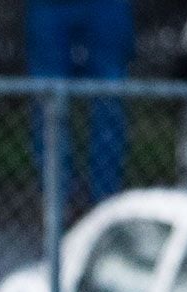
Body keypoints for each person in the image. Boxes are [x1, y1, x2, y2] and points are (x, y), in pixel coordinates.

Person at [26, 0, 132, 206]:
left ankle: (105, 205)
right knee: (48, 100)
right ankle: (56, 205)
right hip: (50, 8)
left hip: (106, 7)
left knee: (109, 99)